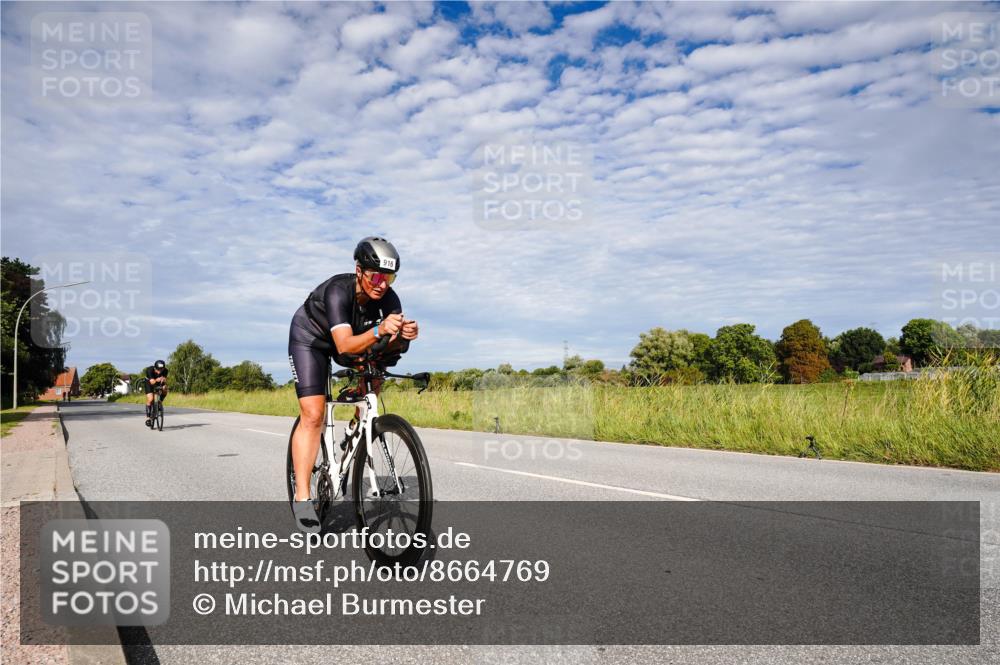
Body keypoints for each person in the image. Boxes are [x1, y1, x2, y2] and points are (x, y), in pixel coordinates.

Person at [287, 236, 419, 532]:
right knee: (313, 414)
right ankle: (302, 496)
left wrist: (404, 336)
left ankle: (352, 434)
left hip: (353, 338)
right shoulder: (338, 291)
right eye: (376, 276)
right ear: (359, 270)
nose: (382, 284)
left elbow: (386, 345)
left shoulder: (390, 299)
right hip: (311, 339)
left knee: (375, 380)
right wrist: (379, 329)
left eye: (390, 277)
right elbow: (345, 347)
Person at [144, 360, 168, 426]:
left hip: (158, 382)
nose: (160, 371)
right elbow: (152, 382)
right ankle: (148, 418)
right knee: (151, 399)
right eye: (158, 370)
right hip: (149, 383)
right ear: (155, 368)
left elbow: (164, 380)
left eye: (161, 370)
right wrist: (158, 379)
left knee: (165, 388)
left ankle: (160, 401)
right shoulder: (149, 370)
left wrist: (164, 381)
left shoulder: (165, 370)